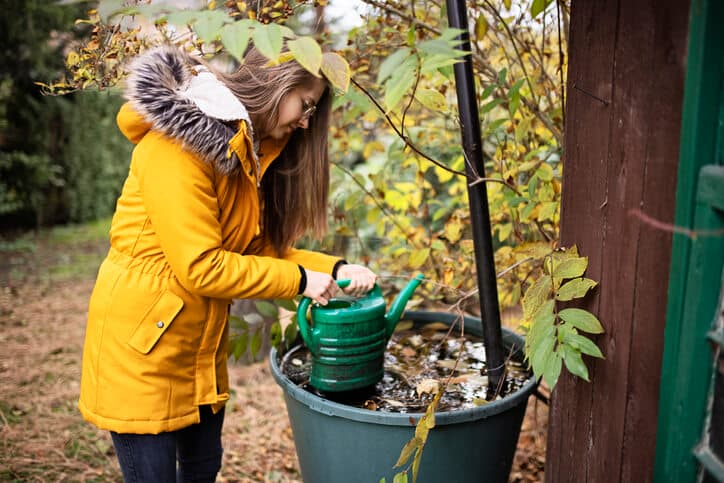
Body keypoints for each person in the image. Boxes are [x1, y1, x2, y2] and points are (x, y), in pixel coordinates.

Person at [78, 44, 377, 482]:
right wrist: (300, 281)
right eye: (306, 105)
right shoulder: (178, 148)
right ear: (277, 84)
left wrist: (332, 269)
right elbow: (201, 265)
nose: (307, 120)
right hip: (143, 347)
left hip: (196, 347)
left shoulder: (244, 153)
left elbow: (253, 253)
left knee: (202, 469)